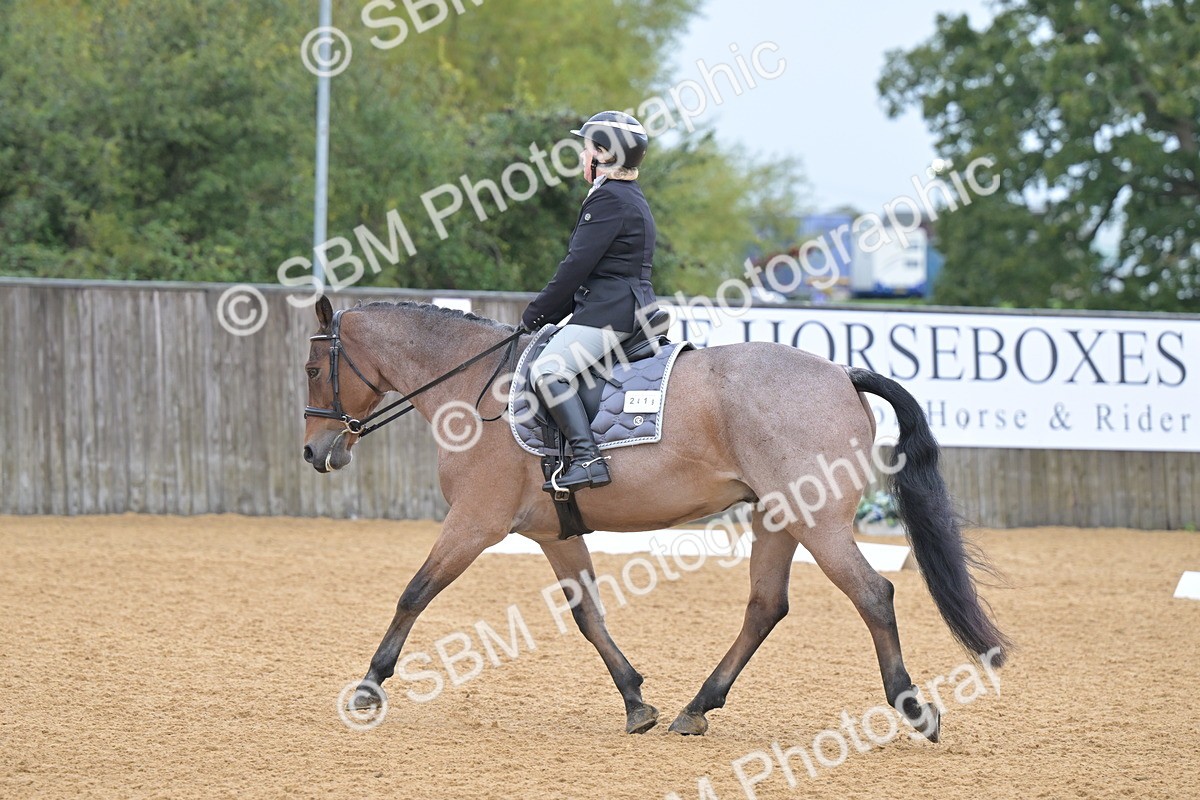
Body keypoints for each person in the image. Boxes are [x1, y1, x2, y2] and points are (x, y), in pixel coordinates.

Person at [521, 110, 657, 492]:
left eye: (586, 149)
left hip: (613, 313)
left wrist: (534, 315)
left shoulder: (611, 200)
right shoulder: (625, 196)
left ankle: (587, 458)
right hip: (623, 307)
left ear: (603, 154)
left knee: (548, 369)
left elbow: (575, 267)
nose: (583, 157)